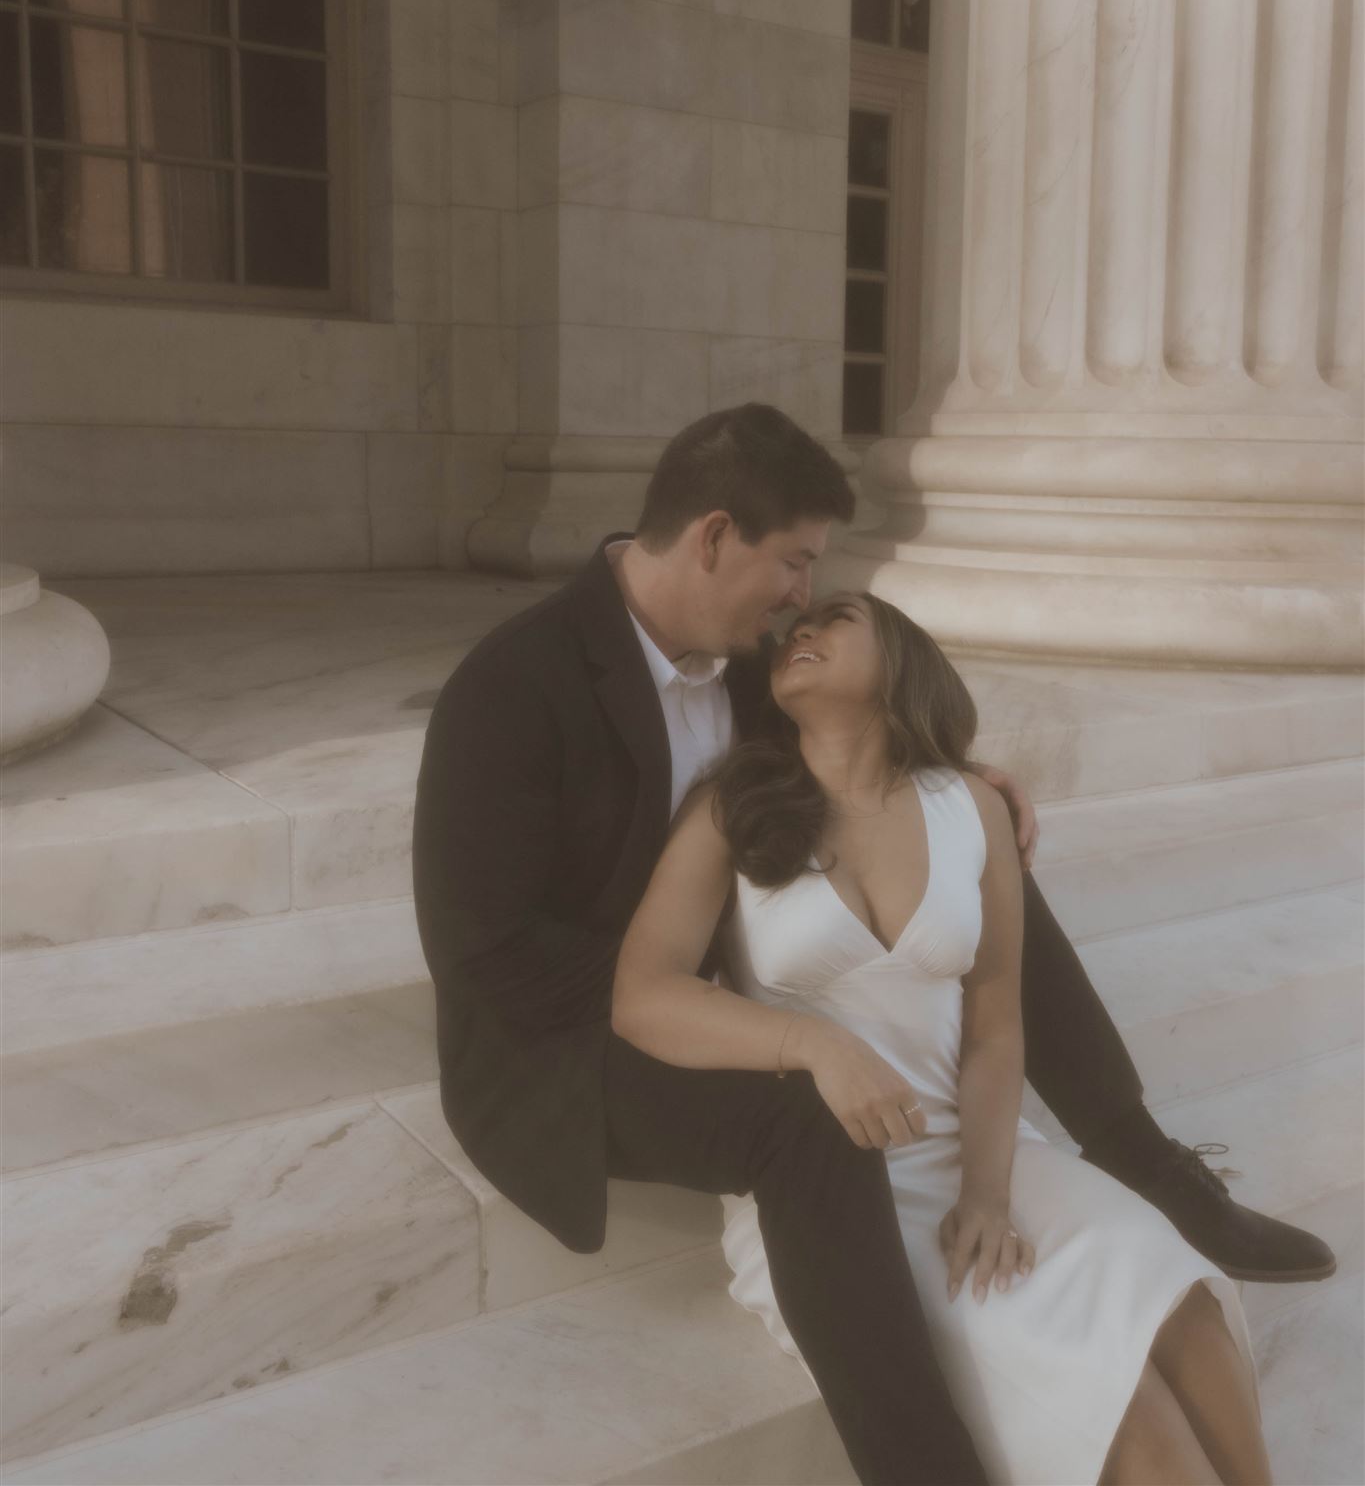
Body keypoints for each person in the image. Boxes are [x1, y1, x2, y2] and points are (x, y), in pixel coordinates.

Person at [413, 405, 1332, 1486]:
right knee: (804, 1114)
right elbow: (490, 958)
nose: (801, 595)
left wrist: (964, 784)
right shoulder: (514, 683)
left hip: (716, 982)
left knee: (981, 869)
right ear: (714, 537)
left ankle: (1139, 1157)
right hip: (564, 1042)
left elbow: (856, 745)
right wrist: (746, 1014)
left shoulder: (755, 663)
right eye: (794, 561)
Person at [613, 590, 1274, 1486]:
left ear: (903, 659)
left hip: (983, 1151)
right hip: (833, 1189)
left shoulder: (970, 805)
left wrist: (988, 1193)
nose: (799, 629)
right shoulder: (733, 808)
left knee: (1179, 1294)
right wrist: (812, 1046)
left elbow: (996, 1025)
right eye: (793, 624)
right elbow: (643, 996)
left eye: (835, 617)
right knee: (1130, 1414)